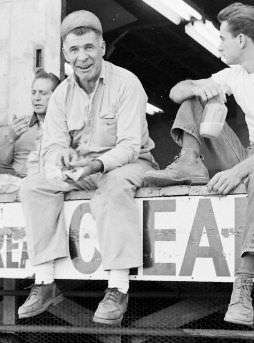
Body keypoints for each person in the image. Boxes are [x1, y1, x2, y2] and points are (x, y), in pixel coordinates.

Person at [145, 2, 254, 326]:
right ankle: (189, 161)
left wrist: (237, 170)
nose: (219, 44)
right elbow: (178, 92)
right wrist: (198, 87)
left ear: (243, 40)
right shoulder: (233, 74)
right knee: (196, 93)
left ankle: (243, 286)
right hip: (248, 153)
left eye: (222, 38)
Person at [16, 10, 157, 326]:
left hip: (129, 164)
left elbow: (130, 145)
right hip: (83, 171)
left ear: (103, 47)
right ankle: (45, 282)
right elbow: (51, 146)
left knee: (113, 186)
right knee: (33, 185)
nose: (83, 57)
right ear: (65, 54)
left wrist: (94, 164)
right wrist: (60, 157)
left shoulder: (126, 83)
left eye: (89, 48)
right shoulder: (61, 95)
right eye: (74, 50)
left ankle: (118, 288)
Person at [0, 70, 61, 177]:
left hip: (48, 177)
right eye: (33, 92)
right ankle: (26, 183)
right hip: (18, 177)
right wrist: (11, 139)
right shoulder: (21, 124)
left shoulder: (63, 125)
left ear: (56, 96)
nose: (36, 98)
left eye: (43, 93)